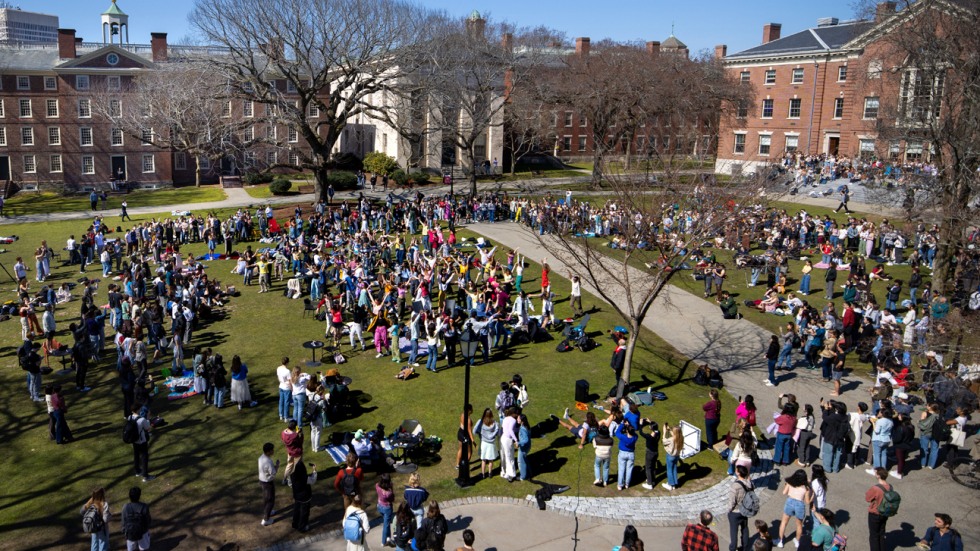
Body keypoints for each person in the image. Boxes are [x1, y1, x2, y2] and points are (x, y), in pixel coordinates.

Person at [776, 469, 812, 548]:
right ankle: (797, 541)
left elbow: (784, 493)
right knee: (799, 525)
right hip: (800, 505)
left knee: (784, 523)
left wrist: (786, 485)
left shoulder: (790, 482)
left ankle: (780, 541)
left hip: (790, 502)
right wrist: (813, 496)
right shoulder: (806, 488)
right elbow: (807, 502)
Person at [865, 467, 893, 551]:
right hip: (885, 513)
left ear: (878, 476)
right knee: (881, 533)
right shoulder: (890, 487)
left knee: (874, 536)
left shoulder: (876, 488)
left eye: (875, 473)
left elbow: (867, 498)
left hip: (875, 513)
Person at [727, 465, 753, 551]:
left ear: (738, 473)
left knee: (733, 532)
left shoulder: (735, 486)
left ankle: (733, 548)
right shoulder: (750, 483)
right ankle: (745, 547)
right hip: (745, 510)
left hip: (735, 512)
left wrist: (729, 510)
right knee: (744, 528)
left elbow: (732, 501)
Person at [127, 405, 154, 482]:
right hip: (142, 441)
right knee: (144, 457)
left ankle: (138, 471)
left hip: (134, 440)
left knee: (136, 455)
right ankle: (145, 476)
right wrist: (148, 418)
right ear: (138, 409)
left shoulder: (130, 417)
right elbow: (148, 428)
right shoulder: (142, 419)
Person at [290, 460, 317, 532]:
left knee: (297, 509)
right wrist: (314, 470)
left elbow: (290, 483)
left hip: (296, 494)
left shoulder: (292, 474)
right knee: (304, 512)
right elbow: (313, 480)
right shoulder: (304, 478)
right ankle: (302, 527)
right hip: (304, 496)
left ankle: (295, 523)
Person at [121, 487, 151, 551]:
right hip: (143, 531)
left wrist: (124, 531)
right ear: (139, 496)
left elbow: (123, 521)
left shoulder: (125, 507)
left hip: (130, 532)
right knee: (144, 548)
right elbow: (148, 520)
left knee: (131, 549)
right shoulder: (144, 506)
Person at [81, 487, 111, 551]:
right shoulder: (104, 504)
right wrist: (110, 516)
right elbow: (105, 519)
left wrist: (88, 502)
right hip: (102, 529)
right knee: (103, 545)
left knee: (94, 545)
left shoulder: (91, 503)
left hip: (93, 528)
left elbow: (81, 511)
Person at [258, 442, 279, 526]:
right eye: (272, 450)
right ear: (268, 451)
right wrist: (277, 465)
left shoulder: (261, 457)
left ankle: (268, 511)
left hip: (262, 480)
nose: (273, 451)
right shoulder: (268, 461)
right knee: (270, 500)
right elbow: (273, 473)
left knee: (266, 498)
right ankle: (266, 519)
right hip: (267, 483)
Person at [637, 417, 660, 491]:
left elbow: (641, 432)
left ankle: (649, 484)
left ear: (651, 428)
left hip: (650, 453)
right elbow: (654, 426)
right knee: (653, 467)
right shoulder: (658, 432)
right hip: (655, 452)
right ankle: (652, 480)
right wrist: (650, 421)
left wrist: (640, 424)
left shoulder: (649, 437)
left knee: (648, 468)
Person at [615, 421, 638, 491]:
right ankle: (627, 484)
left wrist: (622, 424)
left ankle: (620, 485)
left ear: (627, 431)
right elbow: (635, 433)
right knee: (629, 470)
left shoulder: (623, 437)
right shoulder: (635, 437)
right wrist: (630, 426)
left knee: (621, 469)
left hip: (622, 453)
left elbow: (617, 432)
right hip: (631, 454)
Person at [499, 407, 519, 481]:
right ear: (513, 413)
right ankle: (510, 475)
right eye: (516, 413)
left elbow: (506, 428)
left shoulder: (505, 418)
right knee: (510, 457)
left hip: (503, 438)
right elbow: (510, 430)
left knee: (503, 456)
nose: (517, 415)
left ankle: (503, 472)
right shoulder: (513, 420)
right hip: (508, 440)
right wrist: (516, 440)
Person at [376, 473, 395, 547]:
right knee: (386, 525)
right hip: (387, 508)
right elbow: (392, 499)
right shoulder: (388, 493)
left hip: (380, 506)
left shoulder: (377, 486)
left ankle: (388, 537)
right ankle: (383, 542)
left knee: (386, 523)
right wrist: (392, 489)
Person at [662, 423, 683, 491]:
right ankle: (674, 483)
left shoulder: (671, 439)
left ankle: (670, 484)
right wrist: (670, 430)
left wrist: (664, 432)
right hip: (676, 456)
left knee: (669, 470)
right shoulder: (681, 438)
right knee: (674, 469)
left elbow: (664, 441)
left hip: (670, 456)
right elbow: (675, 435)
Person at [517, 413, 532, 481]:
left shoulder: (523, 428)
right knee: (525, 460)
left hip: (523, 448)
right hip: (527, 447)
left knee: (521, 462)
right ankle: (529, 472)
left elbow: (526, 440)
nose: (517, 419)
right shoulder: (526, 426)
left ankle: (523, 476)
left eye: (518, 418)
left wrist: (518, 443)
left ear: (522, 421)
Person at [277, 357, 292, 422]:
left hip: (281, 386)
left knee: (281, 401)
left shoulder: (278, 368)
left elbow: (278, 377)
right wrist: (292, 388)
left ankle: (281, 415)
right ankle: (286, 417)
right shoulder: (287, 371)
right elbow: (290, 381)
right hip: (286, 388)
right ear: (287, 362)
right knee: (286, 402)